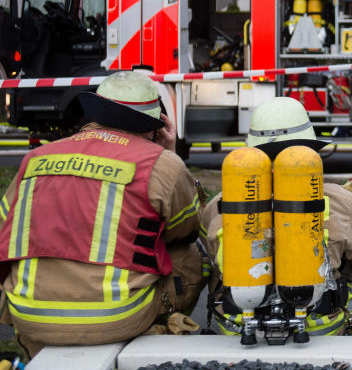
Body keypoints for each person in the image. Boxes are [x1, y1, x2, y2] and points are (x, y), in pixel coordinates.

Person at [0, 71, 206, 357]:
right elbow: (186, 230)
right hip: (118, 317)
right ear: (156, 127)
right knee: (193, 254)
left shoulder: (34, 160)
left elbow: (4, 231)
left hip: (29, 315)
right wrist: (170, 153)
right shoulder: (160, 164)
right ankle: (161, 333)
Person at [201, 97, 352, 336]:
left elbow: (208, 249)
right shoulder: (339, 198)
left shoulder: (221, 202)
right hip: (317, 327)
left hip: (240, 326)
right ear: (310, 151)